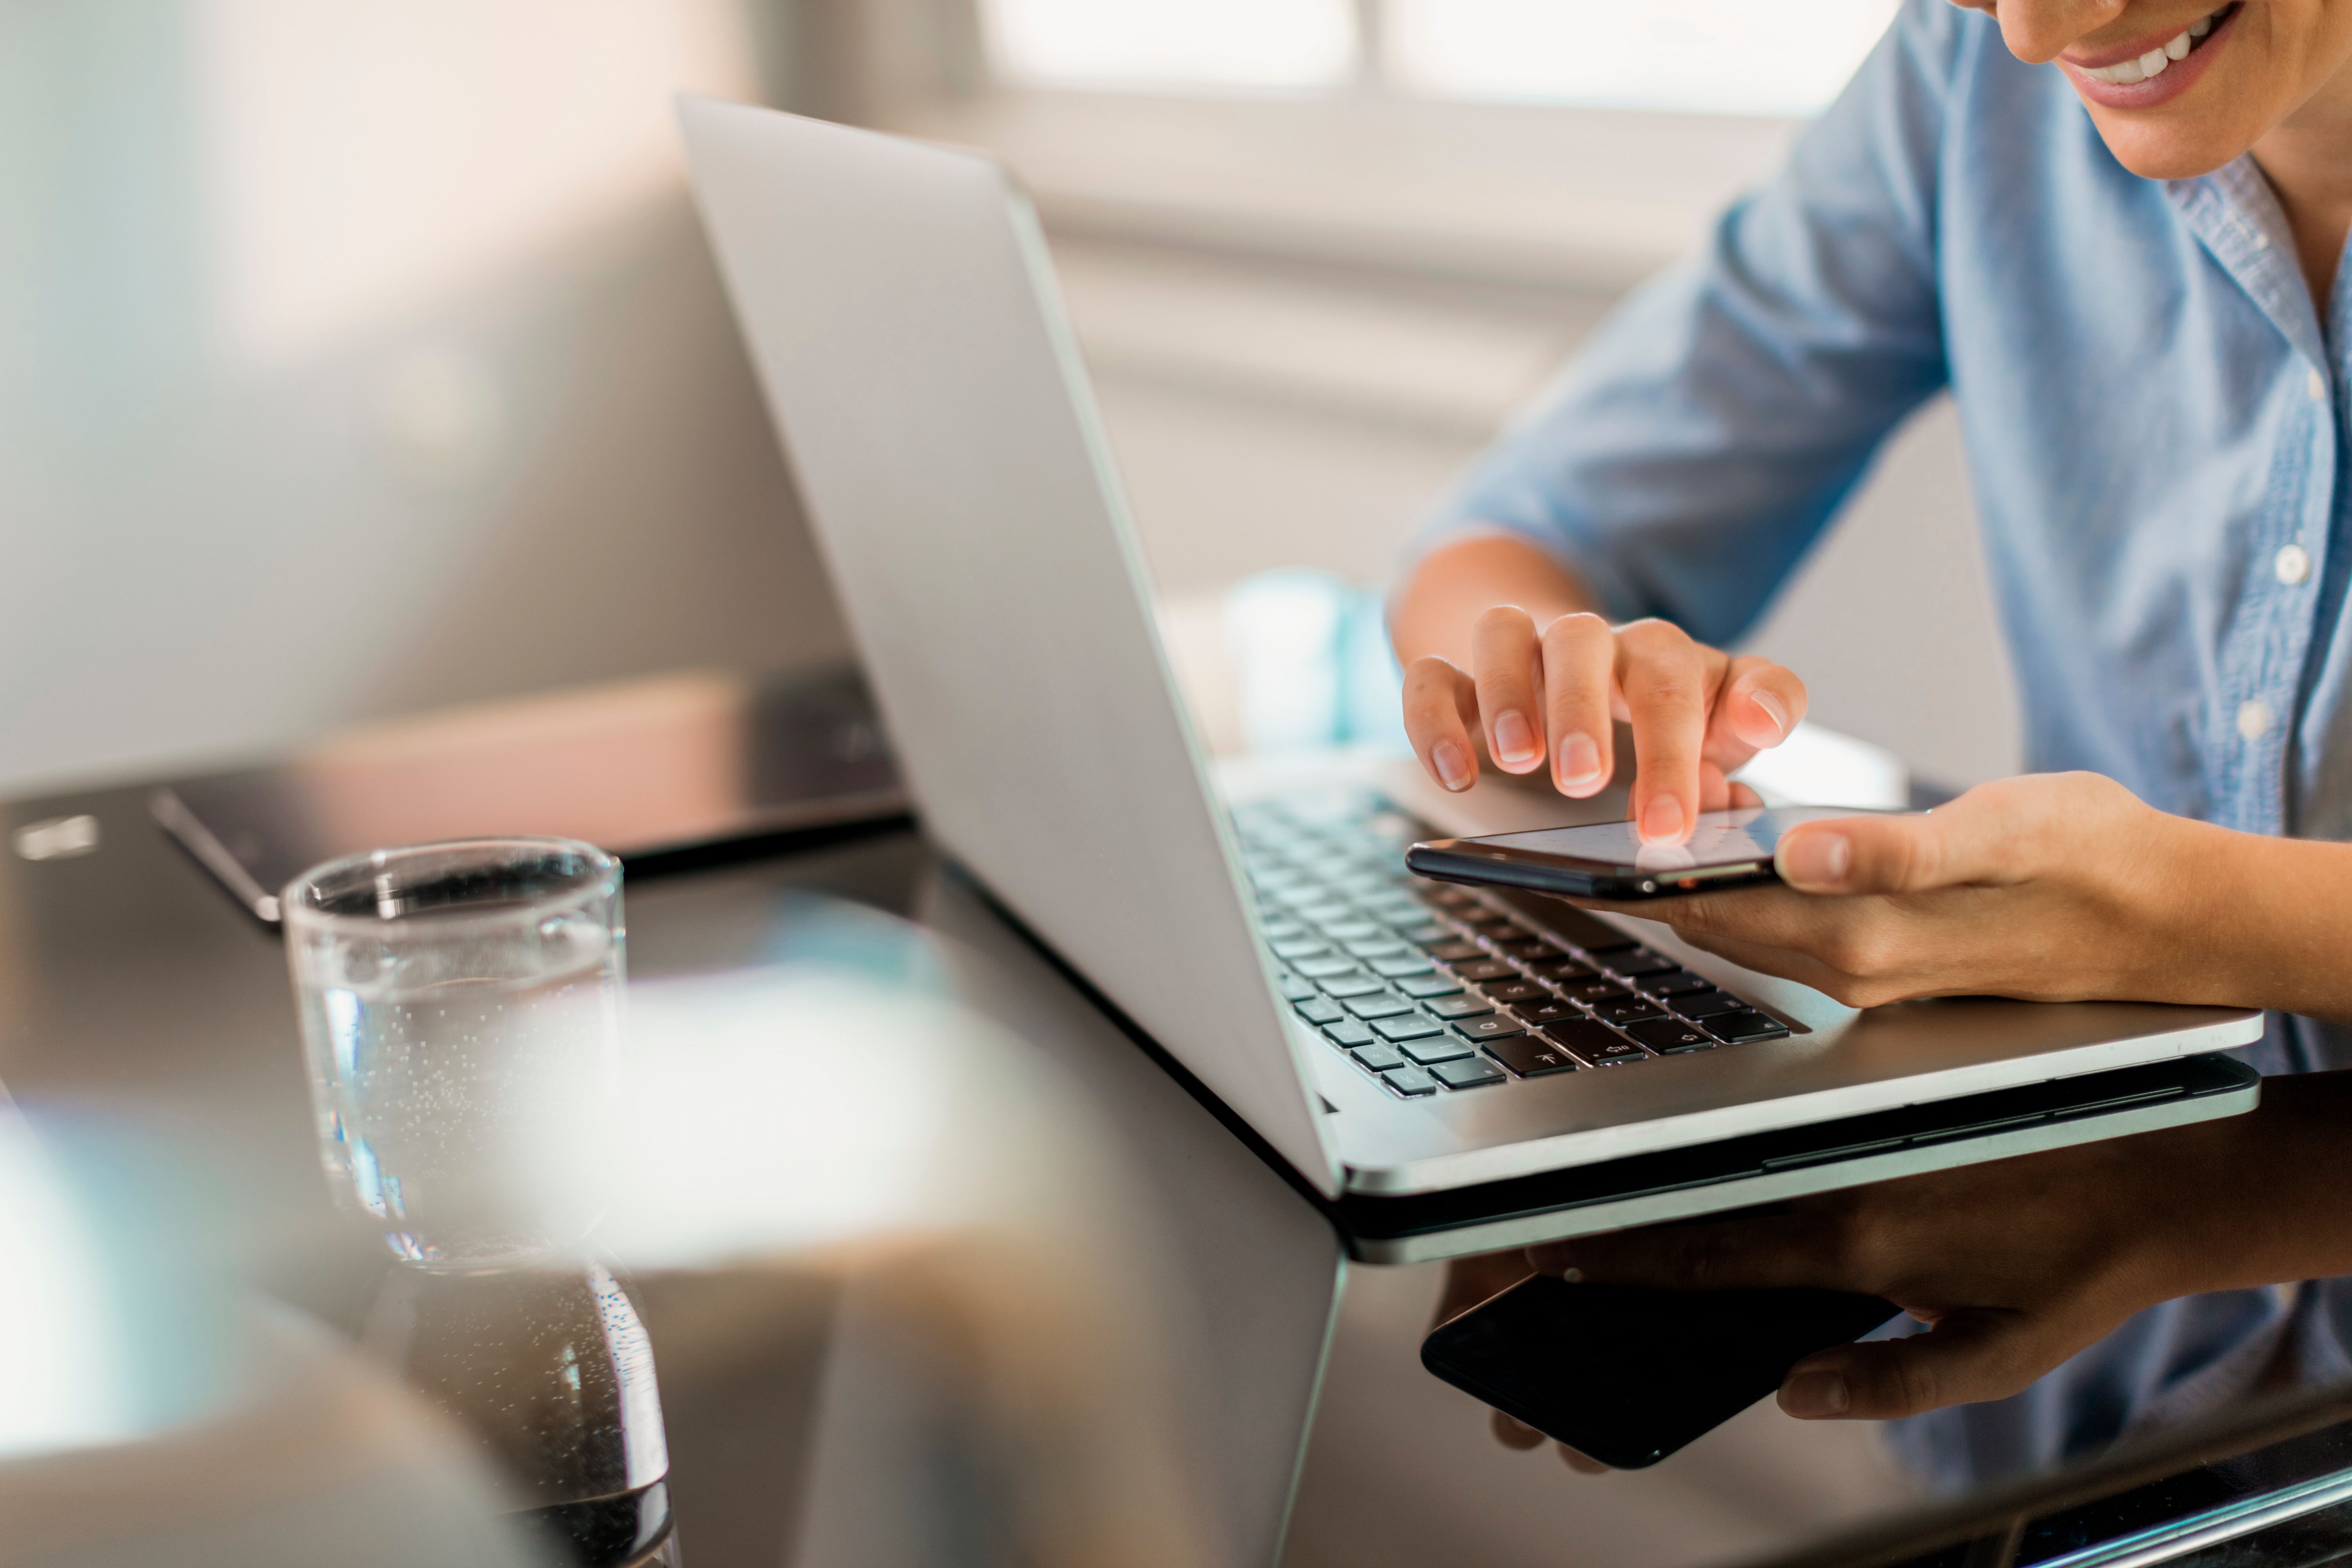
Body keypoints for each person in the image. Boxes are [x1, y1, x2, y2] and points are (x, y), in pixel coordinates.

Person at [1391, 0, 2352, 1487]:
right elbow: (1513, 541)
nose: (2037, 31)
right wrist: (1553, 684)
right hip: (2044, 1425)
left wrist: (2191, 919)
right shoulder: (1964, 80)